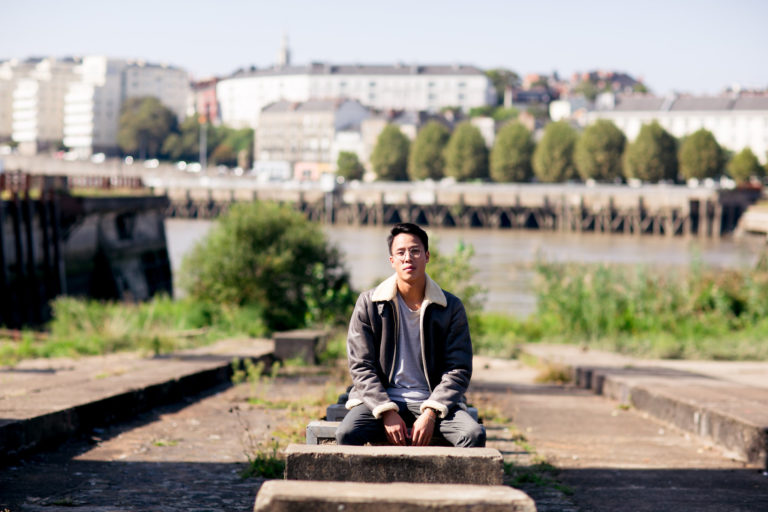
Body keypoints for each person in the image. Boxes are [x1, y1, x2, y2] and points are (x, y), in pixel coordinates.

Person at [335, 222, 485, 447]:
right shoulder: (369, 303)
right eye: (401, 252)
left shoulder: (450, 307)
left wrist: (431, 412)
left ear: (427, 256)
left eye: (415, 251)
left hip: (433, 401)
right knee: (346, 434)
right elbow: (361, 366)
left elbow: (458, 369)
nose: (408, 258)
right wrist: (386, 411)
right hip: (381, 398)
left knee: (473, 435)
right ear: (392, 260)